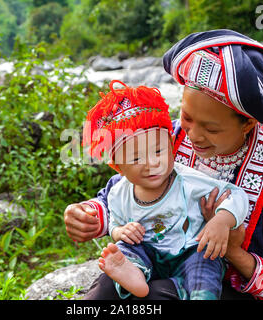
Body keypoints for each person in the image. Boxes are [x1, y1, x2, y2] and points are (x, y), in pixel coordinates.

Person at [64, 29, 263, 300]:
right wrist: (89, 216)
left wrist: (231, 250)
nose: (193, 135)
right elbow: (121, 192)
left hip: (219, 286)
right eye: (187, 116)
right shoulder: (166, 139)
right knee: (107, 289)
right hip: (153, 263)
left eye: (211, 128)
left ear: (248, 123)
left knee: (156, 296)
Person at [82, 80, 249, 299]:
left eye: (159, 151)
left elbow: (236, 194)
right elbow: (115, 221)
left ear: (171, 147)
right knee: (126, 249)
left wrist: (221, 220)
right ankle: (132, 274)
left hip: (190, 252)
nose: (151, 163)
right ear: (118, 166)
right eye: (136, 158)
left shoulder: (187, 180)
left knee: (205, 266)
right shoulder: (118, 192)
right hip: (148, 252)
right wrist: (119, 232)